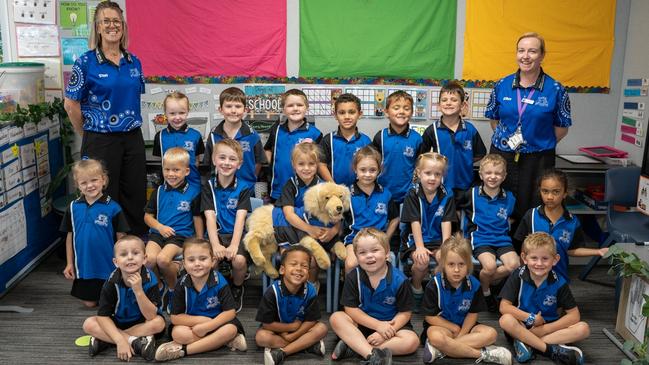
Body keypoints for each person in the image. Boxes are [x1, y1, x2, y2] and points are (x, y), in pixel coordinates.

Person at [64, 1, 147, 234]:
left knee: (135, 192)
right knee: (103, 195)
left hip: (132, 138)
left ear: (123, 26)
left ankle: (133, 247)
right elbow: (70, 104)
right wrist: (87, 133)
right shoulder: (85, 62)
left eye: (117, 21)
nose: (113, 26)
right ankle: (106, 248)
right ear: (98, 27)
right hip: (100, 139)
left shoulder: (134, 62)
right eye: (106, 21)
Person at [485, 32, 573, 227]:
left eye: (532, 51)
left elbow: (561, 128)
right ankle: (499, 248)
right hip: (503, 156)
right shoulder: (501, 85)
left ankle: (530, 254)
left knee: (533, 207)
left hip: (538, 159)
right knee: (499, 204)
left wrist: (537, 142)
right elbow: (494, 120)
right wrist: (508, 140)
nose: (525, 56)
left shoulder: (556, 89)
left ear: (542, 55)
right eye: (521, 50)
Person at [330, 228, 419, 364]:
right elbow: (350, 309)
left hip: (391, 326)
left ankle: (356, 348)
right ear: (356, 257)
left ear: (387, 253)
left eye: (375, 250)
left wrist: (386, 331)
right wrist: (377, 325)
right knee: (336, 318)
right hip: (361, 325)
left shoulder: (400, 280)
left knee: (412, 341)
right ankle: (371, 354)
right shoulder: (354, 277)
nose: (369, 256)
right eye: (362, 252)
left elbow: (405, 313)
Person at [499, 232, 590, 365]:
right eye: (534, 258)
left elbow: (574, 315)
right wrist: (531, 318)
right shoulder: (517, 276)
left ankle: (527, 343)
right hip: (521, 325)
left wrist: (544, 329)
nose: (539, 263)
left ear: (555, 260)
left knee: (584, 329)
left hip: (548, 327)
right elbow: (504, 307)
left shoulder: (559, 282)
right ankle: (550, 349)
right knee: (505, 320)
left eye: (545, 259)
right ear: (524, 258)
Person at [421, 234, 512, 364]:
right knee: (435, 336)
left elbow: (472, 314)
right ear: (443, 265)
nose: (456, 270)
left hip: (466, 328)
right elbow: (429, 317)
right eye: (451, 264)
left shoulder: (474, 285)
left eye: (461, 264)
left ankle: (440, 350)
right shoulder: (434, 284)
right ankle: (484, 354)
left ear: (468, 264)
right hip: (442, 326)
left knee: (491, 334)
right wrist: (454, 328)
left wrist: (462, 333)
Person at [154, 238, 247, 361]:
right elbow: (175, 317)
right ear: (184, 263)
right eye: (191, 260)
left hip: (218, 322)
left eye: (203, 259)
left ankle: (183, 350)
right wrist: (202, 322)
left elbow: (230, 312)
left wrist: (208, 326)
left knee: (230, 329)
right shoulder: (181, 284)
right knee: (178, 334)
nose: (197, 263)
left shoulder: (220, 281)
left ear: (213, 260)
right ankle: (224, 341)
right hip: (193, 325)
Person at [514, 169, 608, 280]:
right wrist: (521, 274)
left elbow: (572, 249)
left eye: (556, 192)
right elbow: (523, 248)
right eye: (545, 191)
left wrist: (598, 251)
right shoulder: (531, 215)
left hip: (559, 279)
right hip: (532, 277)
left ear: (565, 193)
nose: (550, 196)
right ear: (540, 191)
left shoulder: (572, 221)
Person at [82, 235, 166, 361]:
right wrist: (121, 341)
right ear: (116, 262)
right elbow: (103, 316)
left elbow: (151, 316)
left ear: (144, 259)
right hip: (117, 321)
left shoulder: (151, 279)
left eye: (135, 253)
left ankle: (105, 339)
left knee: (159, 323)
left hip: (142, 321)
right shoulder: (111, 283)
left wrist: (138, 291)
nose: (130, 257)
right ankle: (135, 342)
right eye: (123, 254)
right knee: (88, 324)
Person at [61, 159, 129, 307]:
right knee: (89, 303)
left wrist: (123, 262)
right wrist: (69, 263)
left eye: (94, 180)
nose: (90, 185)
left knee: (112, 302)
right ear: (77, 185)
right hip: (85, 265)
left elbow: (121, 237)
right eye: (84, 183)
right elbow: (69, 237)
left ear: (103, 180)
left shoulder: (113, 207)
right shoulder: (73, 207)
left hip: (108, 264)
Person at [457, 154, 520, 312]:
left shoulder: (510, 197)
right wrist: (462, 227)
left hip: (502, 239)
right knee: (490, 266)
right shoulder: (471, 194)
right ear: (481, 174)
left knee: (515, 265)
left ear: (504, 176)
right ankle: (486, 292)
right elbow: (453, 208)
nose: (493, 177)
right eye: (489, 173)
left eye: (498, 173)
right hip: (480, 239)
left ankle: (484, 280)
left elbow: (513, 217)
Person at [144, 148, 203, 311]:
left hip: (179, 237)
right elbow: (147, 217)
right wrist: (160, 227)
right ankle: (159, 286)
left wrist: (198, 242)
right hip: (158, 234)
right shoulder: (158, 192)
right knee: (148, 260)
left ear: (186, 171)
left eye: (176, 170)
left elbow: (197, 218)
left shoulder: (194, 192)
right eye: (167, 169)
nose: (171, 174)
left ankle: (173, 289)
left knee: (163, 260)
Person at [275, 142, 338, 287]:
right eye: (301, 164)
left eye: (311, 164)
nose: (306, 168)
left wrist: (333, 231)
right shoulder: (290, 186)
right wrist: (309, 229)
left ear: (317, 165)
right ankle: (289, 290)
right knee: (288, 259)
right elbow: (289, 215)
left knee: (312, 261)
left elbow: (337, 214)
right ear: (293, 164)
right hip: (292, 232)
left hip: (316, 236)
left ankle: (311, 287)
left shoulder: (324, 187)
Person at [202, 139, 253, 312]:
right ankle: (214, 290)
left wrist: (233, 245)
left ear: (239, 164)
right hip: (215, 234)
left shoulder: (244, 188)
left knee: (239, 260)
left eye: (232, 159)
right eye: (222, 158)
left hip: (235, 235)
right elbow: (209, 217)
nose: (226, 163)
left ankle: (237, 287)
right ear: (214, 160)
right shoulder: (207, 186)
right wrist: (215, 244)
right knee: (211, 261)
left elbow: (240, 220)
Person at [401, 152, 456, 310]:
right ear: (419, 173)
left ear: (442, 176)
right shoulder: (412, 193)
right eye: (428, 173)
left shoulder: (447, 194)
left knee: (446, 260)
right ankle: (416, 288)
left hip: (438, 240)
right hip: (415, 240)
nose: (432, 178)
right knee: (422, 261)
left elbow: (446, 221)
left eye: (437, 174)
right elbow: (415, 222)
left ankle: (437, 293)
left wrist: (445, 247)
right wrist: (419, 247)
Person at [255, 246, 328, 365]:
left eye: (304, 266)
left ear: (308, 273)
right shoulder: (272, 291)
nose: (299, 269)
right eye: (293, 264)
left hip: (300, 329)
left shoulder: (310, 291)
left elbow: (311, 320)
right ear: (282, 270)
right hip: (277, 329)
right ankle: (306, 346)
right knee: (261, 338)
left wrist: (293, 336)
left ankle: (283, 352)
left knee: (322, 328)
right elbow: (267, 324)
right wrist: (290, 328)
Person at [421, 80, 486, 194]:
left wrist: (464, 160)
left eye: (454, 100)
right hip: (440, 186)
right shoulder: (432, 130)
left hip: (466, 186)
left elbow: (480, 153)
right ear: (439, 106)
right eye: (444, 100)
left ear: (462, 105)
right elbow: (422, 157)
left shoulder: (470, 130)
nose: (448, 103)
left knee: (462, 212)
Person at [342, 146, 400, 273]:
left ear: (379, 170)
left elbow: (395, 218)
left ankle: (383, 292)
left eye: (372, 170)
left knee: (387, 262)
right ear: (355, 169)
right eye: (363, 170)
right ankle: (353, 292)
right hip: (354, 240)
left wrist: (385, 238)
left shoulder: (386, 194)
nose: (367, 174)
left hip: (378, 241)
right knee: (351, 264)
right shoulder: (346, 194)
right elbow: (337, 220)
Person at [202, 87, 267, 189]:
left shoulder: (252, 135)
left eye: (238, 106)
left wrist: (250, 178)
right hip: (220, 188)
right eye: (228, 106)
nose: (233, 110)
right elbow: (209, 163)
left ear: (245, 110)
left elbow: (259, 162)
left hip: (247, 188)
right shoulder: (214, 135)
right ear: (221, 110)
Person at [265, 89, 323, 201]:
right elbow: (267, 150)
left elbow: (320, 162)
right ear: (284, 109)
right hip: (278, 189)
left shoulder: (315, 133)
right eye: (290, 105)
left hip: (305, 191)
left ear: (307, 107)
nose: (295, 108)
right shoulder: (276, 130)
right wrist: (274, 164)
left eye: (300, 105)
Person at [372, 90, 423, 204]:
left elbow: (420, 168)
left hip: (409, 195)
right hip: (382, 193)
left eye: (406, 108)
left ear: (412, 112)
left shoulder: (417, 139)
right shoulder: (379, 137)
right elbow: (372, 165)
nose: (401, 112)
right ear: (386, 112)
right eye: (396, 108)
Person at [152, 92, 205, 188]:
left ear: (188, 112)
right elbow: (161, 163)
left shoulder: (196, 135)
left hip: (193, 186)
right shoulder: (159, 136)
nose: (177, 117)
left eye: (181, 113)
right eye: (172, 113)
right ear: (165, 113)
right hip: (168, 186)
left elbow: (196, 161)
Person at [318, 93, 372, 186]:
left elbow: (370, 167)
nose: (347, 117)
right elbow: (321, 165)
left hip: (359, 192)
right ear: (335, 115)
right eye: (342, 112)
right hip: (334, 191)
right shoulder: (328, 140)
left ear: (360, 114)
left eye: (351, 112)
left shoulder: (366, 141)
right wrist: (334, 187)